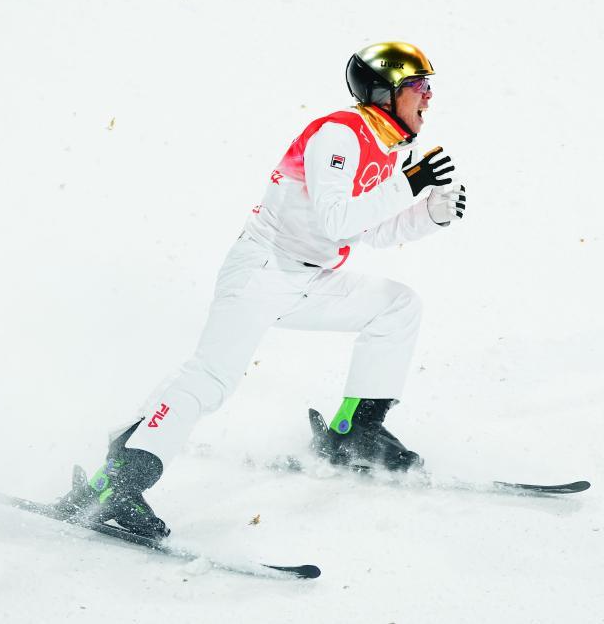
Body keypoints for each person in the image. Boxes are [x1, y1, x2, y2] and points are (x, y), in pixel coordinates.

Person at [56, 42, 467, 539]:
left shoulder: (389, 149)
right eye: (418, 86)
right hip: (262, 270)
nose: (428, 97)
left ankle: (352, 434)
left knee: (397, 307)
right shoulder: (339, 134)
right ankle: (118, 482)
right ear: (384, 92)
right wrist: (409, 184)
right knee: (210, 380)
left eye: (430, 87)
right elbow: (334, 219)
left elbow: (365, 230)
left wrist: (429, 216)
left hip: (310, 278)